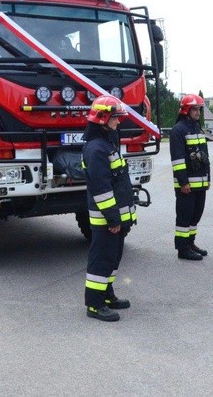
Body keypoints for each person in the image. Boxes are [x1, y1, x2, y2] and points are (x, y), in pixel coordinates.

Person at [82, 95, 136, 322]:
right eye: (115, 118)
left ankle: (106, 295)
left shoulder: (107, 144)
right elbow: (102, 189)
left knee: (112, 258)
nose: (118, 122)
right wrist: (113, 219)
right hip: (106, 220)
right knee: (101, 259)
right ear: (103, 118)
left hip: (115, 218)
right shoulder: (96, 150)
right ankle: (94, 305)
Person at [170, 94, 211, 260]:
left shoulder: (197, 128)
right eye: (195, 109)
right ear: (186, 110)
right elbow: (178, 160)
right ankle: (182, 248)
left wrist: (208, 179)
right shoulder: (178, 130)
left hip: (200, 182)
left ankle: (190, 242)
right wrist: (183, 182)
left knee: (196, 215)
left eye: (199, 109)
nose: (198, 112)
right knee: (184, 216)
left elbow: (204, 156)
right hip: (187, 185)